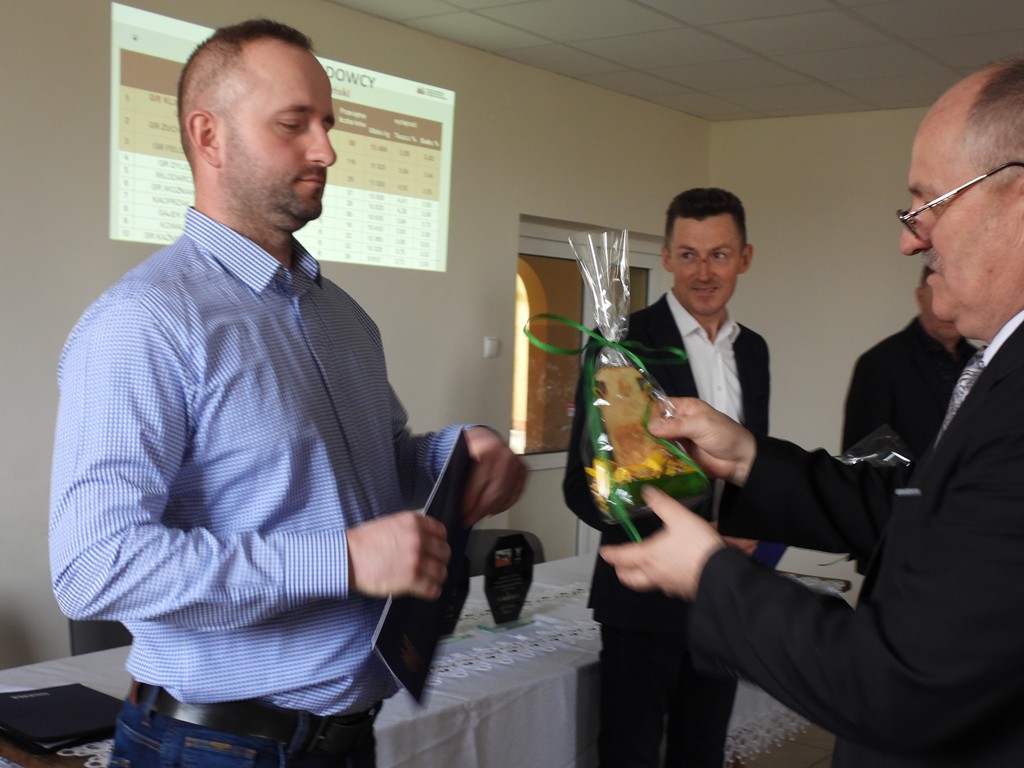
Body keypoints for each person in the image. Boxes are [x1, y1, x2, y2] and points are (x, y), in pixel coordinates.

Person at [48, 20, 526, 768]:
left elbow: (373, 470)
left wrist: (456, 454)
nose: (326, 150)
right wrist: (339, 560)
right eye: (293, 124)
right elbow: (94, 567)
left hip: (345, 736)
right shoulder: (143, 322)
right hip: (213, 746)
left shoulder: (344, 318)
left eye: (327, 123)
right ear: (208, 136)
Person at [600, 56, 1024, 767]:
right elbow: (912, 504)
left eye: (929, 204)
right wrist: (748, 460)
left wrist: (710, 576)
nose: (910, 239)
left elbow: (902, 686)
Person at [563, 188, 770, 767]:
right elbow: (581, 487)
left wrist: (749, 525)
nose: (703, 272)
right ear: (666, 256)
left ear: (745, 258)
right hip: (644, 595)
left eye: (719, 255)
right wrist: (676, 531)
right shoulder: (619, 346)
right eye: (688, 255)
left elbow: (751, 466)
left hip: (724, 592)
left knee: (702, 752)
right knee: (629, 755)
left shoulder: (754, 351)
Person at [842, 265, 976, 458]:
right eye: (941, 295)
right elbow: (864, 459)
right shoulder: (880, 363)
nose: (948, 310)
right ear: (921, 298)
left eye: (958, 299)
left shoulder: (984, 362)